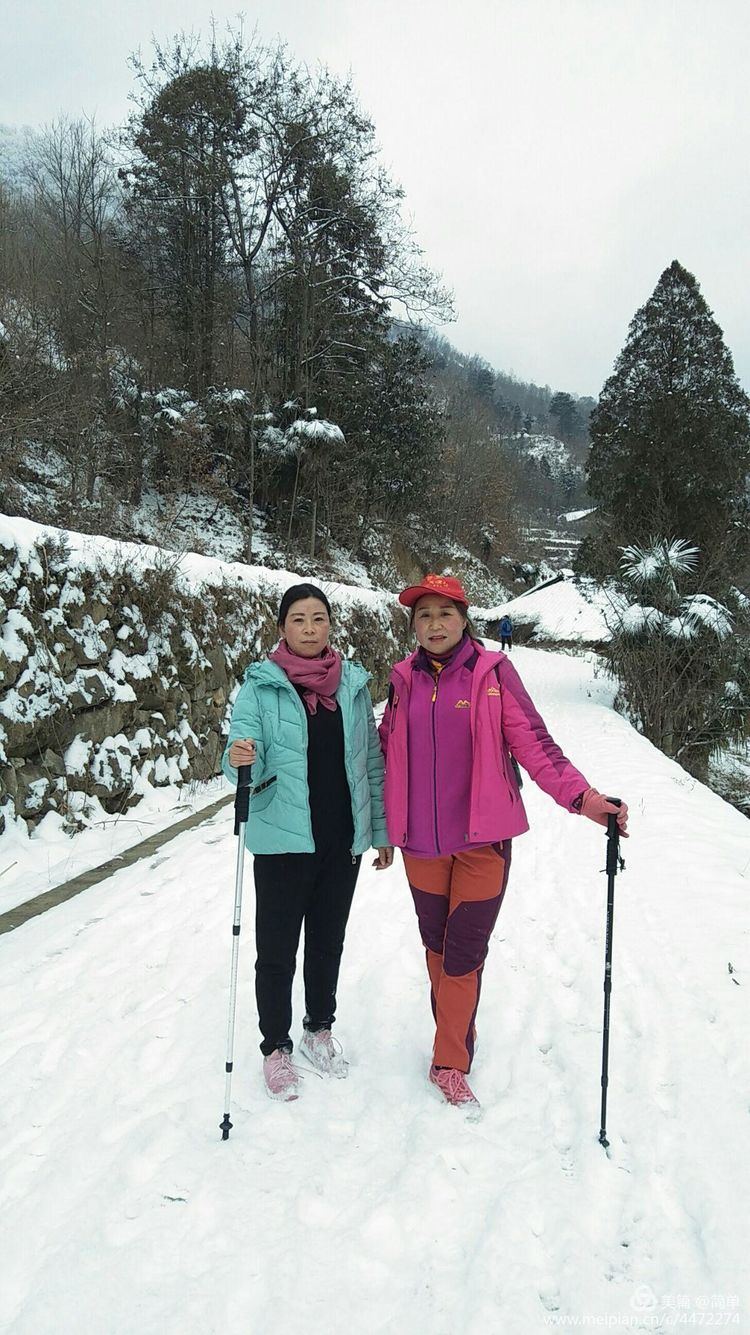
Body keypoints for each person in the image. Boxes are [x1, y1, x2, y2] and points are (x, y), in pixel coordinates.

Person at [379, 573, 628, 1115]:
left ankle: (449, 1061)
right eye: (423, 615)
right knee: (437, 951)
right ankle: (456, 1031)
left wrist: (583, 799)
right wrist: (379, 827)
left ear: (465, 619)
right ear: (413, 626)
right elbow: (384, 753)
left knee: (464, 953)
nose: (435, 624)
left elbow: (536, 744)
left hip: (482, 841)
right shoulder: (402, 680)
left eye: (445, 613)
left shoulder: (494, 674)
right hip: (420, 844)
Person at [223, 582, 393, 1102]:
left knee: (327, 941)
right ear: (282, 628)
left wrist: (380, 830)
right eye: (299, 619)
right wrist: (240, 758)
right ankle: (275, 1048)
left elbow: (370, 762)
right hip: (283, 841)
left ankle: (318, 1026)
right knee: (275, 950)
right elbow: (242, 750)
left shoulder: (353, 686)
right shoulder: (260, 687)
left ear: (330, 626)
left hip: (341, 839)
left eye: (319, 618)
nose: (310, 628)